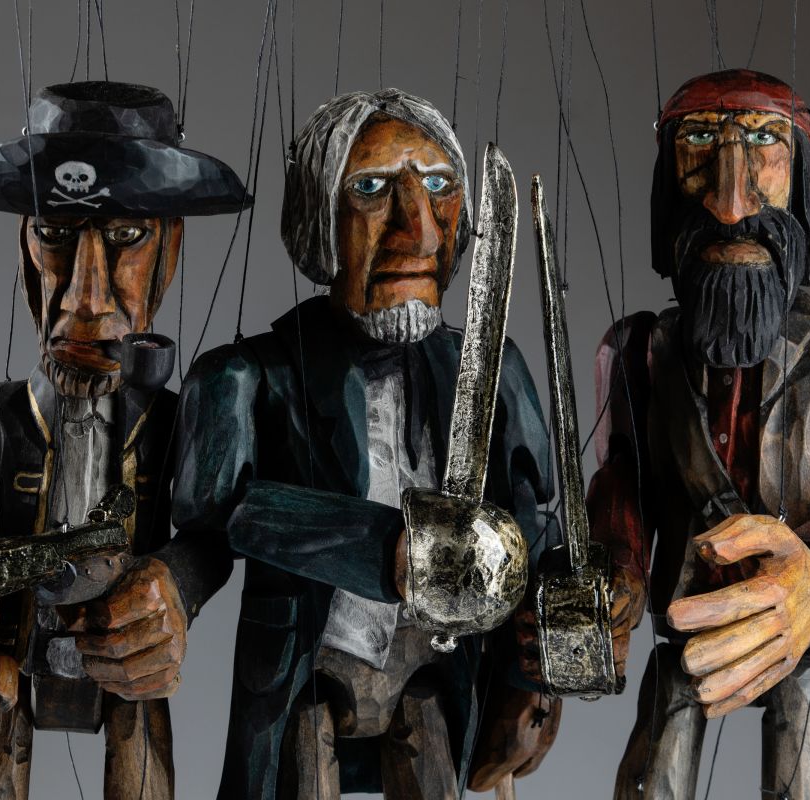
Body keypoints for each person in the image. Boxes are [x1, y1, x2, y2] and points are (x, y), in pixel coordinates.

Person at [170, 89, 559, 800]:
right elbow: (221, 511)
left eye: (439, 186)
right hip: (306, 682)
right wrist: (385, 550)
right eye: (372, 189)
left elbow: (537, 524)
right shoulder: (246, 377)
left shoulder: (490, 371)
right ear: (317, 216)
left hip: (440, 681)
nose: (420, 231)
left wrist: (534, 674)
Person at [0, 80, 251, 799]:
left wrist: (175, 585)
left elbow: (213, 534)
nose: (84, 297)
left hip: (127, 665)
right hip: (5, 663)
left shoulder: (181, 417)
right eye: (53, 236)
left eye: (126, 238)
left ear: (170, 247)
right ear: (23, 247)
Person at [592, 70, 810, 798]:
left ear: (803, 184)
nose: (731, 201)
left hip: (803, 638)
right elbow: (622, 474)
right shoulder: (638, 354)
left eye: (763, 144)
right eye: (699, 146)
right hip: (684, 624)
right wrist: (619, 569)